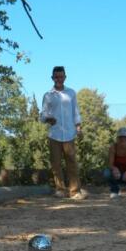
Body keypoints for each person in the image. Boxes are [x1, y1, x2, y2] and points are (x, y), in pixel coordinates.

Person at [40, 66, 87, 200]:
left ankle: (75, 191)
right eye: (56, 77)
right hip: (54, 134)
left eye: (61, 76)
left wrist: (78, 127)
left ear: (65, 77)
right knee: (56, 164)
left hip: (69, 133)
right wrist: (48, 118)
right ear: (52, 78)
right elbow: (43, 115)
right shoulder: (48, 95)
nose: (58, 79)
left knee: (72, 162)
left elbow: (75, 111)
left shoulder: (71, 93)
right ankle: (60, 190)